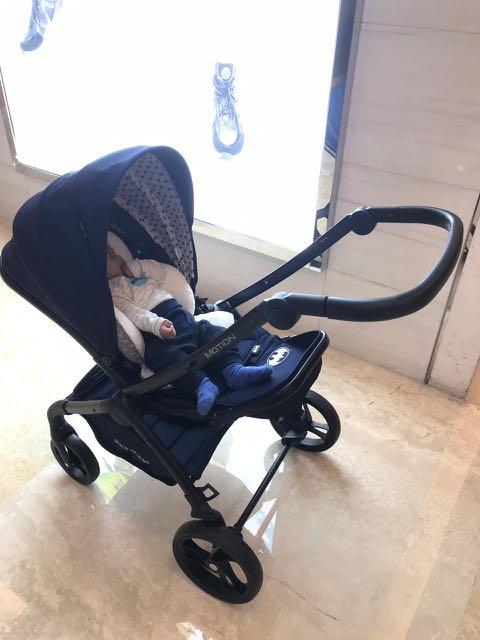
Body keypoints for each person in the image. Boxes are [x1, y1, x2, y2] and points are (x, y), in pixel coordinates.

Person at [106, 246, 273, 415]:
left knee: (215, 334)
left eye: (114, 252)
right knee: (162, 359)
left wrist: (139, 266)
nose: (117, 254)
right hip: (160, 333)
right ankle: (201, 384)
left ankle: (233, 370)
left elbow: (162, 272)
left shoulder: (138, 275)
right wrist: (156, 325)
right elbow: (134, 313)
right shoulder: (114, 291)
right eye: (110, 256)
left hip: (183, 317)